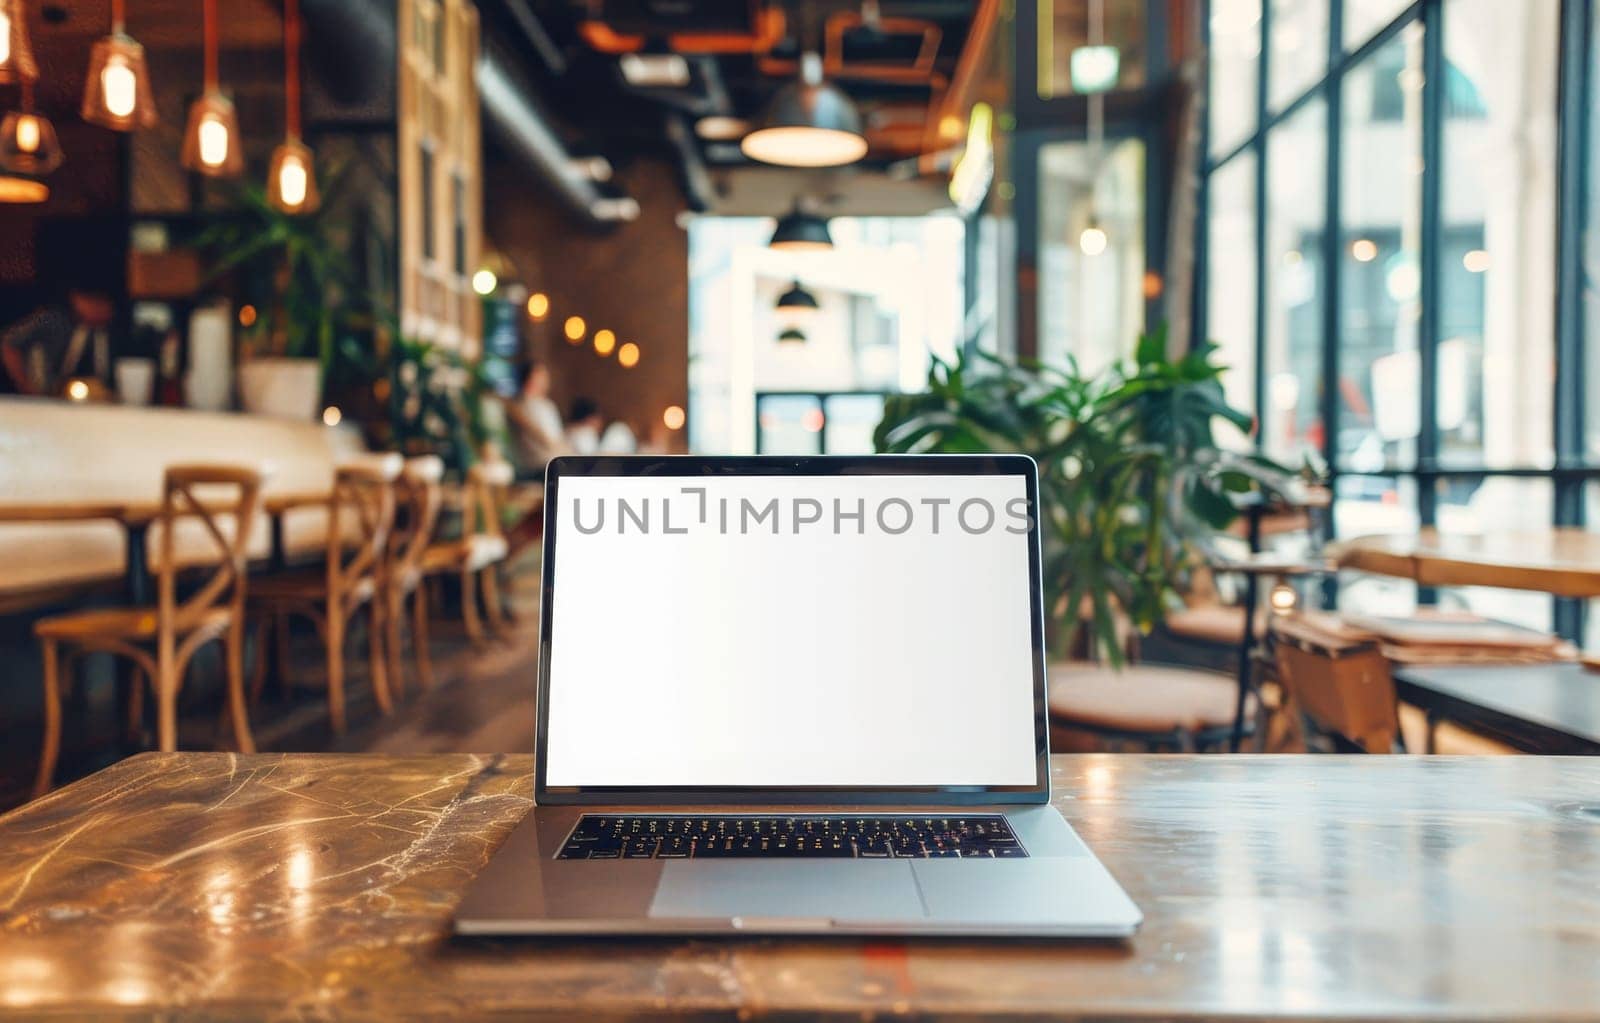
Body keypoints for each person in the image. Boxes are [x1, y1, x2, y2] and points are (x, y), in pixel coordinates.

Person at [503, 361, 571, 476]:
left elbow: (558, 439)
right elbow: (546, 440)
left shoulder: (547, 405)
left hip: (555, 461)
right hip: (538, 466)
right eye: (542, 375)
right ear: (531, 378)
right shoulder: (520, 406)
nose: (547, 379)